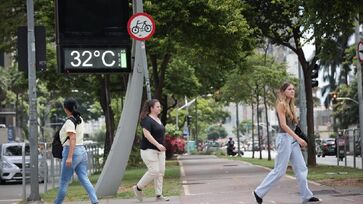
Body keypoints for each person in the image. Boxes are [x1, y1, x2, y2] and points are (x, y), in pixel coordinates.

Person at [253, 82, 320, 203]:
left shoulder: (291, 106)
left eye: (293, 89)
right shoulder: (281, 105)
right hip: (284, 139)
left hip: (292, 139)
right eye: (289, 89)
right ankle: (259, 192)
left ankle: (307, 196)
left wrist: (299, 138)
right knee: (279, 171)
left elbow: (293, 126)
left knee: (301, 168)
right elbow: (283, 125)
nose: (292, 91)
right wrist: (298, 139)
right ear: (283, 91)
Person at [54, 98, 98, 204]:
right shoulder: (80, 119)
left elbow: (72, 138)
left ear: (65, 109)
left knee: (64, 182)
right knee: (84, 178)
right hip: (82, 151)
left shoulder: (69, 121)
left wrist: (69, 157)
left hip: (72, 151)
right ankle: (95, 201)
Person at [133, 99, 170, 202]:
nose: (160, 108)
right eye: (157, 107)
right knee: (154, 171)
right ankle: (138, 188)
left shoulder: (158, 119)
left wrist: (161, 146)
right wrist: (158, 145)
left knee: (160, 172)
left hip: (160, 150)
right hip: (148, 150)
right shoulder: (146, 120)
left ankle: (159, 195)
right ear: (151, 108)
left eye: (160, 106)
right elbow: (147, 135)